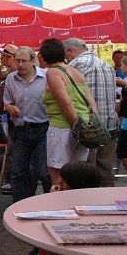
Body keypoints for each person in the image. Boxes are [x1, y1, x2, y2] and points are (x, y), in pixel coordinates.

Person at [40, 38, 97, 187]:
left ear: (43, 56)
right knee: (77, 178)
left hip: (63, 129)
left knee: (58, 178)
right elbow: (91, 100)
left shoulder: (53, 73)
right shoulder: (75, 71)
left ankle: (59, 208)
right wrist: (88, 126)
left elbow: (65, 102)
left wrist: (77, 128)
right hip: (83, 126)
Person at [63, 38, 118, 187]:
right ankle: (107, 206)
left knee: (86, 176)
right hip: (110, 125)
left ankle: (89, 205)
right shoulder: (107, 65)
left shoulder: (76, 65)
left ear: (69, 51)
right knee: (106, 173)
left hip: (89, 128)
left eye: (65, 56)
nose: (65, 60)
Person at [3, 46, 51, 202]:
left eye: (24, 61)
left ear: (33, 60)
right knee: (18, 173)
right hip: (21, 130)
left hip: (43, 129)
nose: (21, 65)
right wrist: (9, 107)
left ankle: (51, 204)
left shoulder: (46, 77)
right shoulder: (11, 78)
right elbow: (7, 102)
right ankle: (19, 206)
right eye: (17, 61)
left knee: (44, 172)